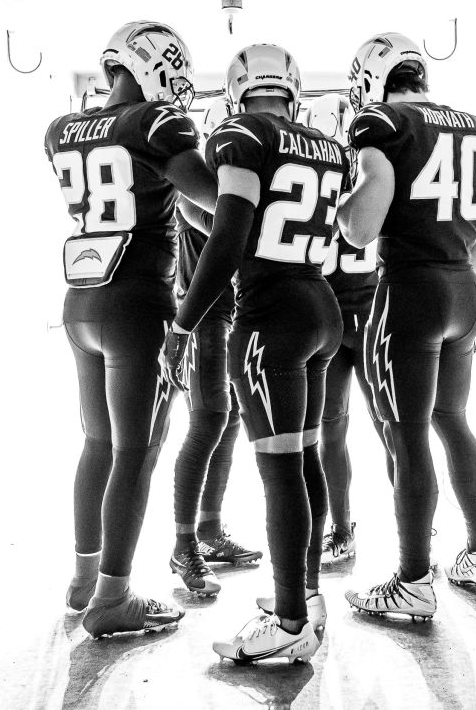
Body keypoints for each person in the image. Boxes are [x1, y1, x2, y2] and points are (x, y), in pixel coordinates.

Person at [160, 44, 345, 663]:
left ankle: (289, 621)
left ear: (238, 88)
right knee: (307, 459)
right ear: (291, 87)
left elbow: (233, 233)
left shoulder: (241, 133)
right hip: (320, 305)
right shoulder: (326, 143)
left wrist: (182, 323)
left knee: (279, 470)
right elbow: (251, 217)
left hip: (271, 321)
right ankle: (307, 599)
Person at [44, 20, 217, 638]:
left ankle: (84, 577)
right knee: (137, 451)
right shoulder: (157, 125)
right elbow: (217, 199)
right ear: (159, 67)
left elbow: (153, 195)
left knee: (96, 444)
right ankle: (113, 597)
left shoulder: (61, 130)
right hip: (139, 305)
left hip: (82, 301)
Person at [337, 32, 476, 621]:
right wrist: (460, 282)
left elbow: (361, 227)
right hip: (462, 286)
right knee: (453, 421)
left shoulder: (382, 122)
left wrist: (341, 207)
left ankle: (411, 579)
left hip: (409, 291)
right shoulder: (473, 125)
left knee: (406, 435)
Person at [167, 98, 262, 598]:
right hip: (203, 315)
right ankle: (184, 544)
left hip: (228, 312)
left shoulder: (231, 183)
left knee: (229, 420)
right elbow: (233, 234)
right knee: (207, 420)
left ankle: (207, 529)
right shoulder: (195, 189)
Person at [303, 93, 394, 569]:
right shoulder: (374, 166)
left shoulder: (312, 173)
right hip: (370, 309)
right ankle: (415, 531)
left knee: (331, 433)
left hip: (331, 316)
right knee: (393, 428)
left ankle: (340, 530)